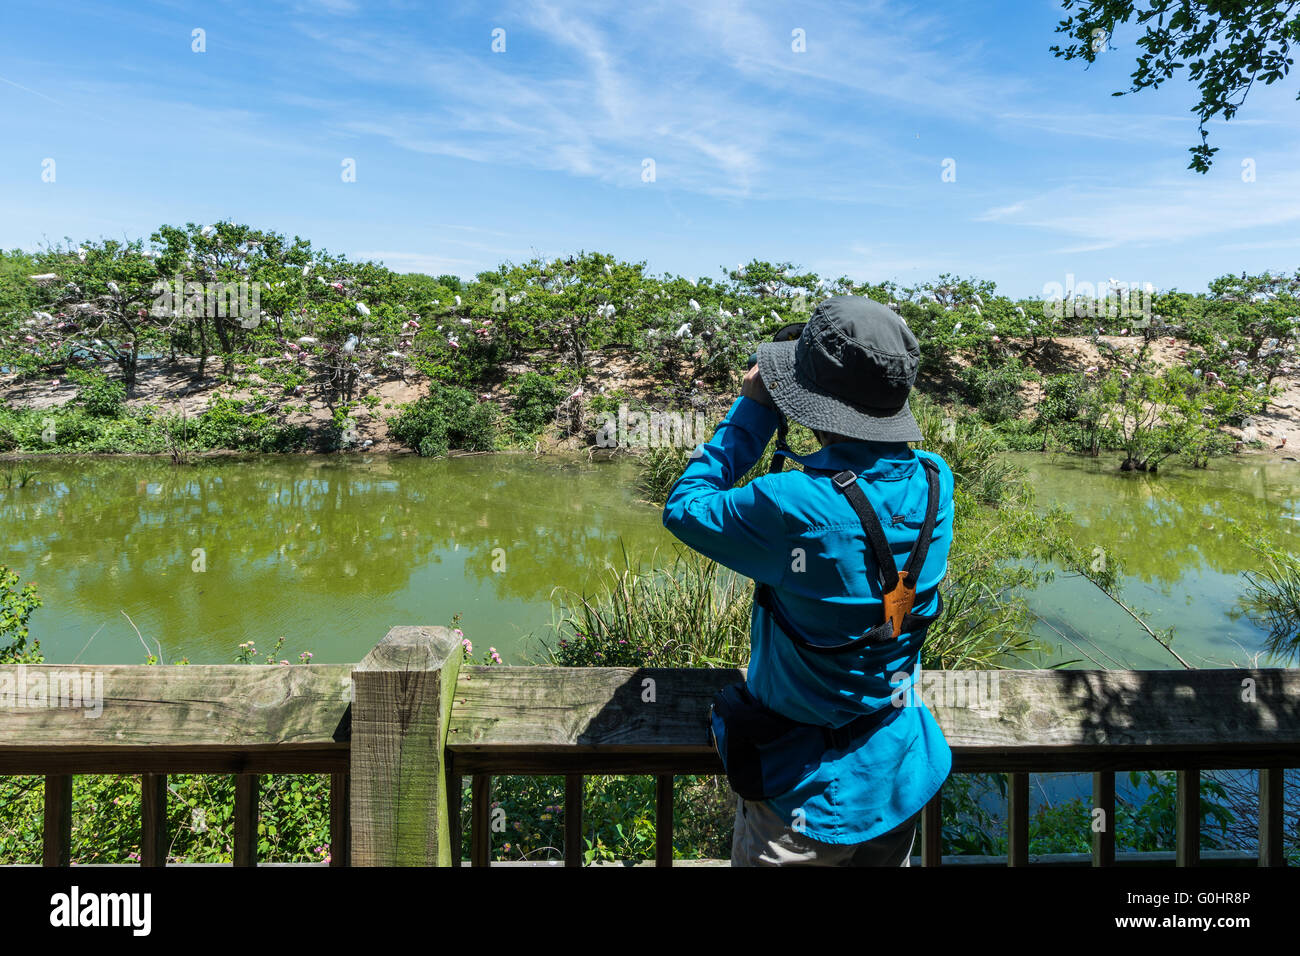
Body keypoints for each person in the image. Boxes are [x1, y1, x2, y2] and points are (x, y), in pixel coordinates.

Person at [662, 295, 954, 866]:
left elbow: (685, 506)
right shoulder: (936, 482)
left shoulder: (794, 502)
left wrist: (753, 411)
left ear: (812, 400)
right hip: (898, 773)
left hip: (801, 799)